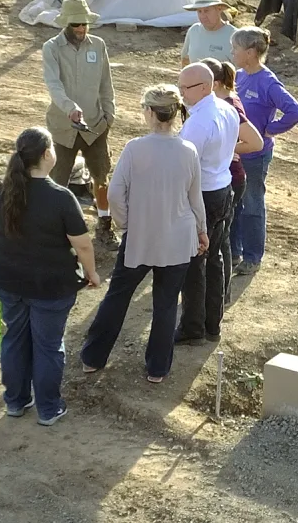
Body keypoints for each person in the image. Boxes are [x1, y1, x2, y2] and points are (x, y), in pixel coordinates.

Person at [80, 87, 207, 384]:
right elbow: (195, 198)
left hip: (141, 237)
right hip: (178, 238)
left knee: (117, 297)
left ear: (150, 112)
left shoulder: (135, 148)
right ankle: (157, 369)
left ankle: (93, 359)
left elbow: (114, 192)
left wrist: (126, 224)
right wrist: (202, 231)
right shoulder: (189, 151)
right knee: (165, 304)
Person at [0, 128, 101, 427]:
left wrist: (4, 249)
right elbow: (82, 243)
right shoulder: (60, 197)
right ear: (47, 154)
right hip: (51, 285)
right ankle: (48, 408)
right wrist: (92, 273)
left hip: (10, 279)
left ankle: (16, 401)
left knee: (14, 339)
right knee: (48, 345)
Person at [174, 62, 244, 344]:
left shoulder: (198, 123)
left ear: (204, 87)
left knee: (194, 264)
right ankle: (212, 325)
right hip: (223, 188)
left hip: (203, 195)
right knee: (214, 258)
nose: (181, 94)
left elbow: (183, 167)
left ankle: (193, 328)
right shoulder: (225, 109)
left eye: (185, 89)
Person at [42, 0, 117, 241]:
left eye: (85, 23)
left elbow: (106, 83)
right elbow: (53, 85)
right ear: (66, 24)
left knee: (101, 178)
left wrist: (109, 114)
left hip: (95, 125)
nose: (82, 28)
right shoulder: (51, 48)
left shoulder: (98, 45)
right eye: (77, 24)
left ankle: (105, 225)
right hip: (64, 127)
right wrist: (69, 108)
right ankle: (55, 231)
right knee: (57, 181)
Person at [231, 26, 298, 276]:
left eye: (236, 49)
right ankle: (235, 251)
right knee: (234, 203)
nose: (232, 53)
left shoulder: (267, 82)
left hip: (255, 156)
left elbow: (295, 111)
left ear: (250, 52)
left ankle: (252, 257)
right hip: (237, 152)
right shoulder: (239, 76)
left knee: (252, 204)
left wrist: (269, 130)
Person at [204, 59, 263, 287]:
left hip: (228, 177)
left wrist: (227, 148)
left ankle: (222, 290)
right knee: (225, 235)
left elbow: (255, 142)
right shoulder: (225, 99)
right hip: (228, 176)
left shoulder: (228, 104)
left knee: (221, 240)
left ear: (214, 83)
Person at [179, 0, 238, 67]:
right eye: (199, 11)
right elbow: (185, 60)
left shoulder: (235, 36)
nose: (203, 16)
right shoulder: (193, 30)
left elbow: (241, 71)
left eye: (206, 11)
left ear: (219, 9)